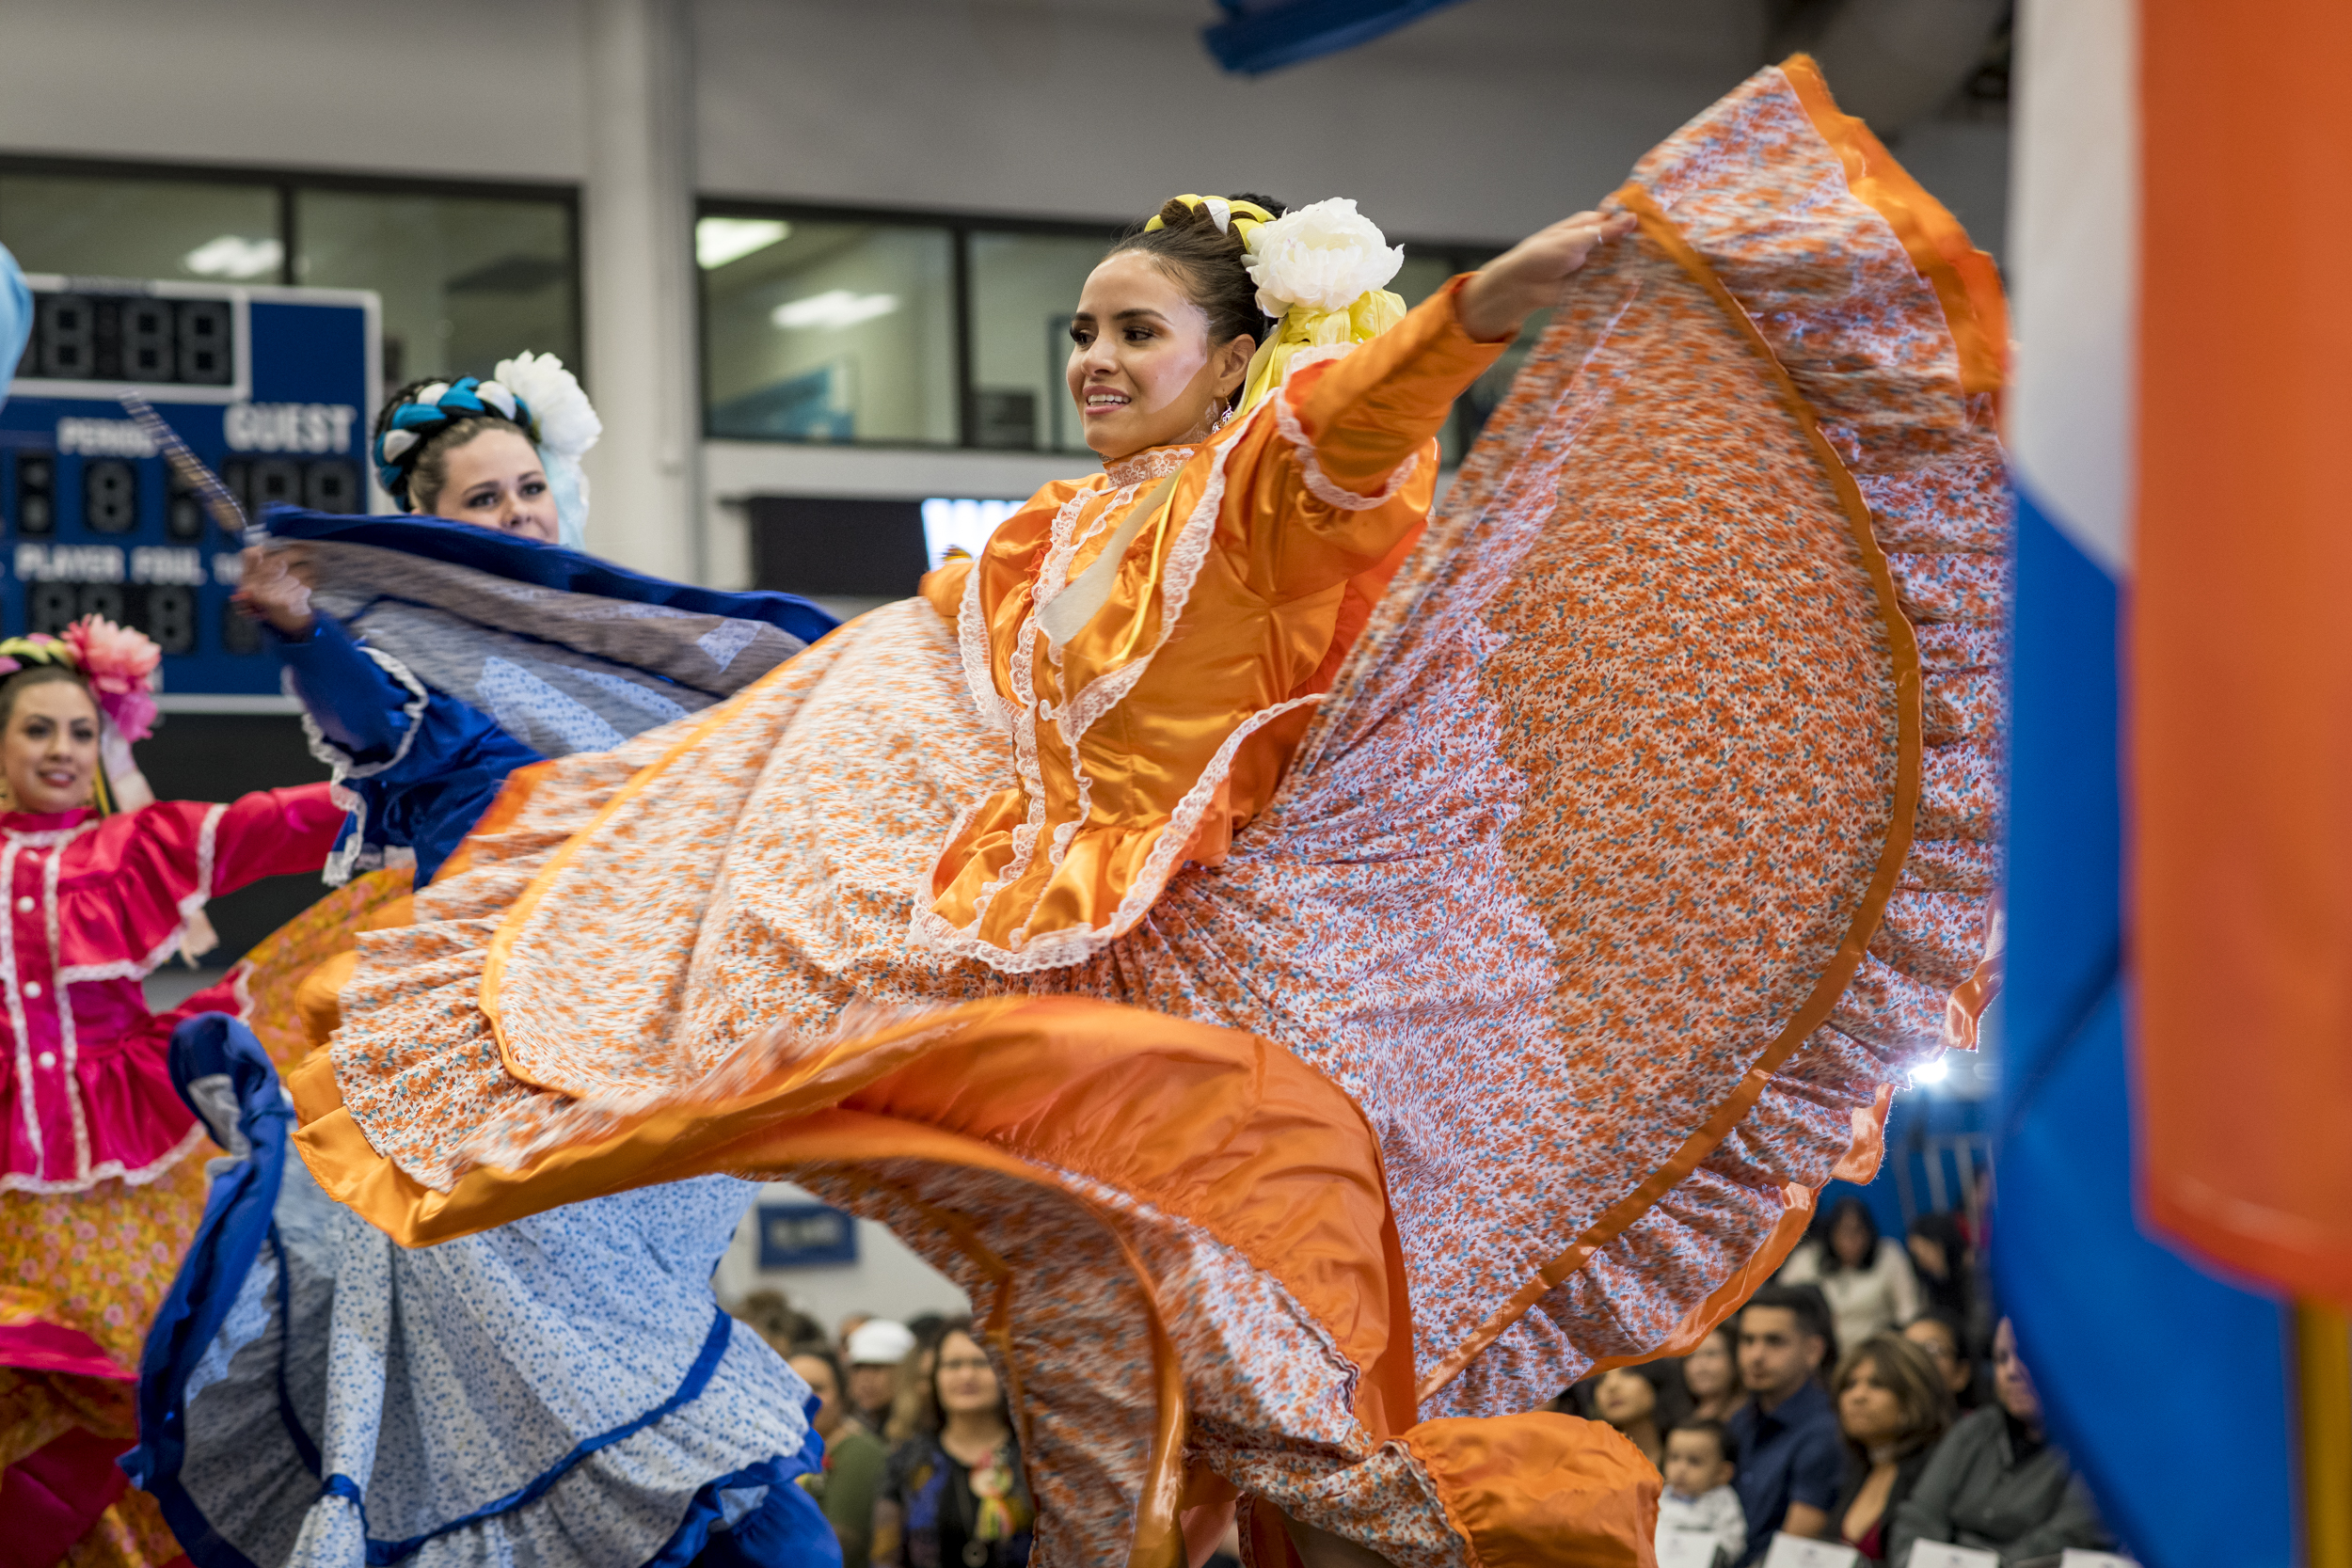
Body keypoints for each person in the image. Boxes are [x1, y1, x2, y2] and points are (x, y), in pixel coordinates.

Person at [280, 59, 2010, 1568]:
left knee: (1271, 1406)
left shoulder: (1267, 495)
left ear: (1237, 352)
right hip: (1052, 1000)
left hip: (1223, 1027)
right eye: (1086, 329)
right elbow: (871, 689)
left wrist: (1494, 303)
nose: (1097, 358)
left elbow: (1363, 415)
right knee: (1088, 1381)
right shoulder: (1046, 535)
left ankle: (1525, 1532)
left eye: (1137, 331)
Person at [121, 362, 844, 1568]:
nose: (517, 518)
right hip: (493, 1098)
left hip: (629, 1088)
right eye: (480, 502)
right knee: (678, 1470)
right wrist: (304, 629)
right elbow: (366, 718)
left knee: (658, 1420)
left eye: (527, 489)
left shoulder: (625, 677)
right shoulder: (419, 678)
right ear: (418, 530)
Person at [0, 619, 345, 1567]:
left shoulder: (130, 849)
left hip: (124, 1187)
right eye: (37, 730)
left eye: (79, 730)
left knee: (147, 1398)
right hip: (9, 1208)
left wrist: (404, 780)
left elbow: (272, 822)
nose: (63, 750)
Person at [1888, 1320, 2114, 1566]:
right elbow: (1919, 1516)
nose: (2011, 1372)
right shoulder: (1974, 1429)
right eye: (2001, 1359)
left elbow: (2066, 1540)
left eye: (2026, 1356)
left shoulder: (2099, 1452)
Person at [873, 1320, 1033, 1568]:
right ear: (935, 1377)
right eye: (953, 1364)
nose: (966, 1375)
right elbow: (885, 1557)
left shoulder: (1034, 1460)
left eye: (981, 1362)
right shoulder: (907, 1460)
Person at [1725, 1285, 1844, 1566]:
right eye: (1747, 1340)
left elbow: (1792, 1551)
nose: (1755, 1355)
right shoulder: (1740, 1420)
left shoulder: (1826, 1431)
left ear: (1813, 1351)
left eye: (1774, 1341)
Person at [1828, 1335, 1955, 1564]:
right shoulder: (1858, 1466)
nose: (1858, 1396)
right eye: (1849, 1384)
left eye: (1877, 1384)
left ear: (1913, 1396)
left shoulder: (1938, 1469)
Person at [1780, 1198, 1923, 1356]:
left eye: (1858, 1231)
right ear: (1831, 1233)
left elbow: (1909, 1313)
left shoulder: (1888, 1255)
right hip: (1820, 1356)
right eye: (1844, 1232)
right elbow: (1782, 1305)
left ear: (1869, 1232)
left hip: (1877, 1354)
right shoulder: (1807, 1259)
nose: (1851, 1241)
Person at [793, 1344, 891, 1568]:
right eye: (791, 1386)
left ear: (842, 1395)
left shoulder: (860, 1452)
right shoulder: (776, 1454)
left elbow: (840, 1546)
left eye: (816, 1388)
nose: (804, 1398)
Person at [1657, 1418, 1746, 1565]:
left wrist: (1716, 1554)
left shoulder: (1722, 1500)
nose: (1681, 1469)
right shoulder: (1661, 1497)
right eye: (1674, 1458)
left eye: (1694, 1461)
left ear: (1722, 1473)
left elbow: (1733, 1539)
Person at [1589, 1362, 1688, 1469]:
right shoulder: (1589, 1467)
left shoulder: (1692, 1451)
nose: (1611, 1385)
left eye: (1628, 1372)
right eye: (1601, 1378)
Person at [849, 1318, 918, 1434]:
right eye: (858, 1367)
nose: (865, 1378)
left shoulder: (920, 1430)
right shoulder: (852, 1427)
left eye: (877, 1367)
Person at [1902, 1307, 1980, 1411]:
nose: (1917, 1359)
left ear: (1961, 1373)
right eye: (1909, 1350)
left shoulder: (1981, 1426)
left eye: (1932, 1349)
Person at [1683, 1324, 1747, 1423]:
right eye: (1691, 1355)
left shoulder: (1749, 1417)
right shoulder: (1682, 1417)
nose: (1701, 1364)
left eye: (1711, 1353)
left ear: (1735, 1359)